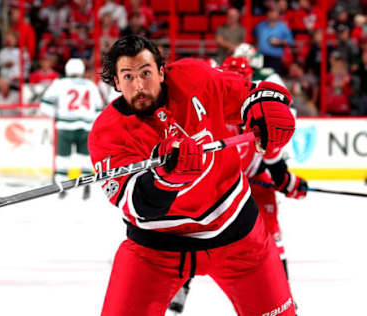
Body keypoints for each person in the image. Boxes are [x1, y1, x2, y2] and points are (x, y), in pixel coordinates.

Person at [88, 34, 296, 316]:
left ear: (161, 71)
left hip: (238, 234)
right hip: (155, 251)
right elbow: (138, 205)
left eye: (146, 73)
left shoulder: (194, 77)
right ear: (115, 81)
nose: (139, 85)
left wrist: (267, 106)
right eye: (128, 76)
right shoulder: (106, 133)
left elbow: (249, 93)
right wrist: (166, 178)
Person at [168, 56, 309, 315]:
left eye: (241, 81)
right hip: (217, 184)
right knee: (190, 229)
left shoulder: (254, 113)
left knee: (271, 233)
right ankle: (181, 287)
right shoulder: (204, 110)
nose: (236, 86)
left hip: (251, 180)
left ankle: (281, 293)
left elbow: (273, 159)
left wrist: (289, 182)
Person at [40, 58, 103, 200]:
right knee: (85, 159)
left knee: (63, 159)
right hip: (85, 127)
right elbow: (99, 108)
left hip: (65, 126)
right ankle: (87, 186)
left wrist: (56, 117)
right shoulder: (90, 85)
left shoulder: (59, 84)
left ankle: (62, 188)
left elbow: (44, 105)